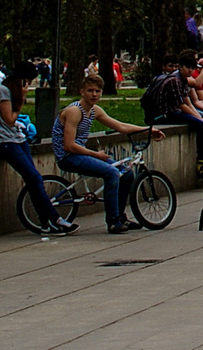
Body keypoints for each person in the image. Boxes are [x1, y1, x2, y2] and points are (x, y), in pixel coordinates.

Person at [56, 74, 164, 233]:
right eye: (90, 90)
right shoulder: (74, 111)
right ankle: (113, 221)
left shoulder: (94, 111)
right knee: (112, 173)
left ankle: (121, 216)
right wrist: (95, 155)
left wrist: (148, 130)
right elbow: (69, 145)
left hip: (81, 154)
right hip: (68, 157)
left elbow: (120, 126)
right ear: (81, 92)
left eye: (97, 91)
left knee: (126, 174)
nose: (94, 95)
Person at [0, 62, 78, 235]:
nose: (28, 85)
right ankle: (55, 219)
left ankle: (45, 224)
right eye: (28, 81)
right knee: (34, 178)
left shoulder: (8, 91)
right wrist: (21, 101)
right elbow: (9, 119)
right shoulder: (2, 91)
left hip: (17, 139)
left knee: (34, 181)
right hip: (4, 141)